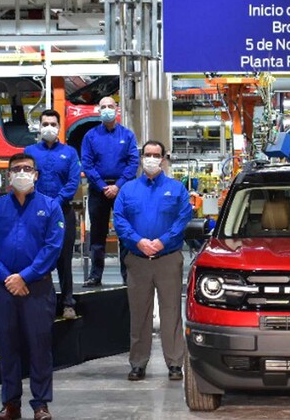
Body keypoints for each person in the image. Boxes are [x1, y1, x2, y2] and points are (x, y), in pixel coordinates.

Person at [0, 153, 64, 420]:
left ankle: (40, 404)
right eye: (17, 169)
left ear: (36, 175)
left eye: (27, 169)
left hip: (37, 288)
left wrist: (24, 277)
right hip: (4, 289)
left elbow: (52, 248)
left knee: (40, 347)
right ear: (8, 176)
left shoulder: (50, 207)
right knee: (8, 346)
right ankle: (10, 403)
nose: (22, 173)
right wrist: (8, 278)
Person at [113, 140, 192, 381]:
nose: (151, 159)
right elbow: (119, 219)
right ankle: (138, 363)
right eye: (147, 154)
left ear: (164, 159)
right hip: (137, 260)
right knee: (139, 314)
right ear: (141, 158)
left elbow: (183, 218)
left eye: (156, 155)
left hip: (168, 258)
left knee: (171, 313)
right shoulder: (127, 190)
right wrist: (138, 241)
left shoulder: (177, 189)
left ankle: (175, 363)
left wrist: (162, 241)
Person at [25, 109, 82, 319]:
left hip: (62, 212)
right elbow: (26, 178)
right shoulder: (30, 151)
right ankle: (38, 301)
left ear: (59, 127)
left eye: (53, 124)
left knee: (64, 259)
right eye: (45, 123)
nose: (49, 127)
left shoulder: (70, 153)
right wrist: (40, 205)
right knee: (36, 257)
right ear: (39, 127)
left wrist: (54, 203)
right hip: (34, 213)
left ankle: (68, 303)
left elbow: (73, 182)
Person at [81, 96, 139, 286]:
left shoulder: (128, 136)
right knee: (97, 235)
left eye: (110, 106)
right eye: (103, 106)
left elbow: (133, 163)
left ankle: (127, 275)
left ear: (117, 109)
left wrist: (118, 185)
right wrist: (101, 185)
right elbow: (87, 164)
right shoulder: (90, 136)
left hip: (122, 191)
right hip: (99, 190)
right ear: (99, 110)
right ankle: (95, 275)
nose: (107, 109)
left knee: (124, 233)